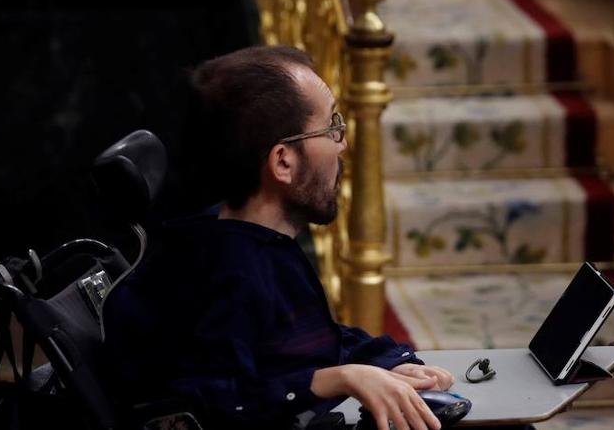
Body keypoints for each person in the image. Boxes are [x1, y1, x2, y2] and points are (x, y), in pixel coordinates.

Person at [104, 45, 453, 430]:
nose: (343, 144)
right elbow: (216, 405)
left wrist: (392, 364)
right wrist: (337, 378)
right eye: (331, 127)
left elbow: (314, 345)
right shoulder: (227, 274)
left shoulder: (248, 242)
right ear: (283, 161)